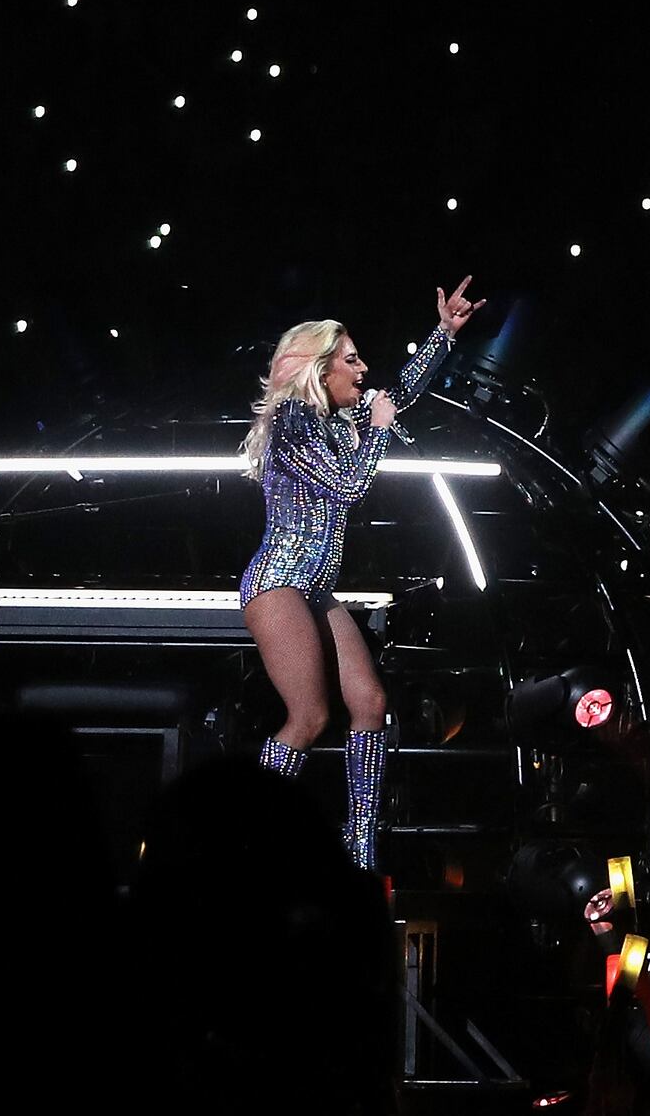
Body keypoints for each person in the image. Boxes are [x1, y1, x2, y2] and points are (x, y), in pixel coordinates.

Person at [237, 276, 485, 869]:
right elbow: (349, 484)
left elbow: (396, 390)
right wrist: (375, 430)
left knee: (370, 700)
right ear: (321, 370)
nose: (364, 367)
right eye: (351, 359)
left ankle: (360, 844)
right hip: (278, 582)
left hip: (315, 588)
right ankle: (250, 832)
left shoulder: (331, 424)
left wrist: (442, 335)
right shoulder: (295, 420)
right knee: (311, 715)